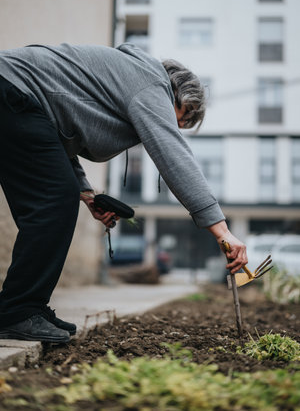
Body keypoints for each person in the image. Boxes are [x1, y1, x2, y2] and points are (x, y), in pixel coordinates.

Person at [0, 42, 248, 342]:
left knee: (57, 198)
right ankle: (19, 311)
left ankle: (28, 308)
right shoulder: (151, 84)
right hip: (12, 92)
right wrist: (222, 231)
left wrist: (87, 193)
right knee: (54, 203)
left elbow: (58, 137)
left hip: (18, 101)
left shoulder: (125, 80)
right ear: (177, 96)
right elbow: (174, 156)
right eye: (176, 120)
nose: (170, 126)